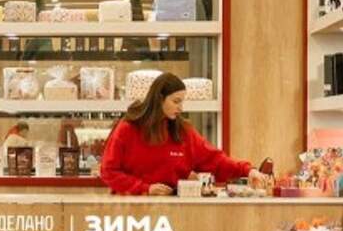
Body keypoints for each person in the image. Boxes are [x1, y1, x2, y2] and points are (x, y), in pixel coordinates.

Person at [100, 72, 267, 195]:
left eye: (182, 101)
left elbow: (215, 160)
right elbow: (109, 171)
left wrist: (248, 171)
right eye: (176, 101)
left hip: (173, 210)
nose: (181, 108)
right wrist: (145, 188)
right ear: (159, 99)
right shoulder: (128, 129)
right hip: (130, 210)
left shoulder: (183, 132)